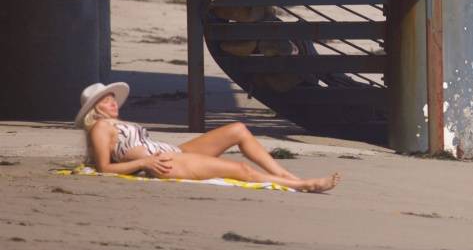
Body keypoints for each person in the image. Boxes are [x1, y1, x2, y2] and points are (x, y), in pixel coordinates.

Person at [75, 82, 340, 193]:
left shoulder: (113, 123)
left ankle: (290, 178)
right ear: (95, 107)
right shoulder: (100, 128)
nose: (113, 104)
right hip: (164, 162)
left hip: (173, 151)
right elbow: (104, 168)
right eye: (107, 100)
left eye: (113, 99)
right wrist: (143, 164)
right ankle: (301, 185)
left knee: (237, 129)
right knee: (241, 169)